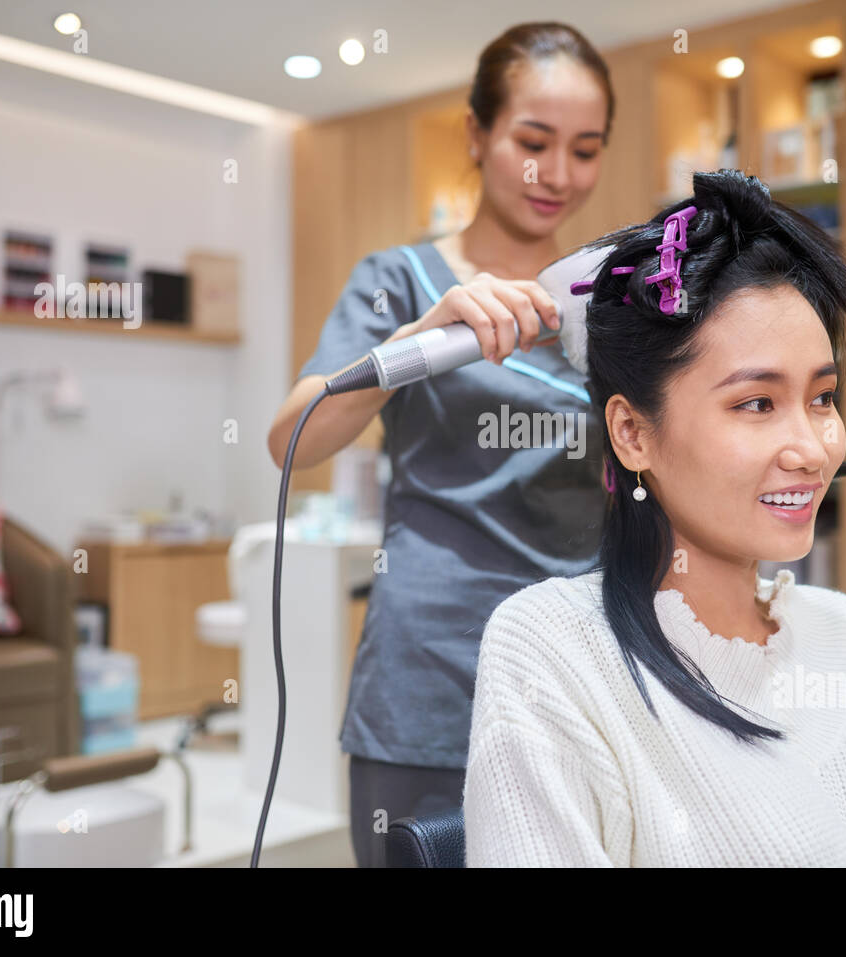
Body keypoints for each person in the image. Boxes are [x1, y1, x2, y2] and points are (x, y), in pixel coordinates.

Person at [463, 168, 846, 867]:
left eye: (823, 398)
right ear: (633, 433)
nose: (813, 448)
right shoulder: (556, 650)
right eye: (757, 403)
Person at [267, 22, 614, 868]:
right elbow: (292, 438)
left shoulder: (609, 303)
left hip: (582, 672)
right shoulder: (400, 282)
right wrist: (418, 338)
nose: (556, 175)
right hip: (431, 673)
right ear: (476, 134)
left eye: (586, 148)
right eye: (533, 142)